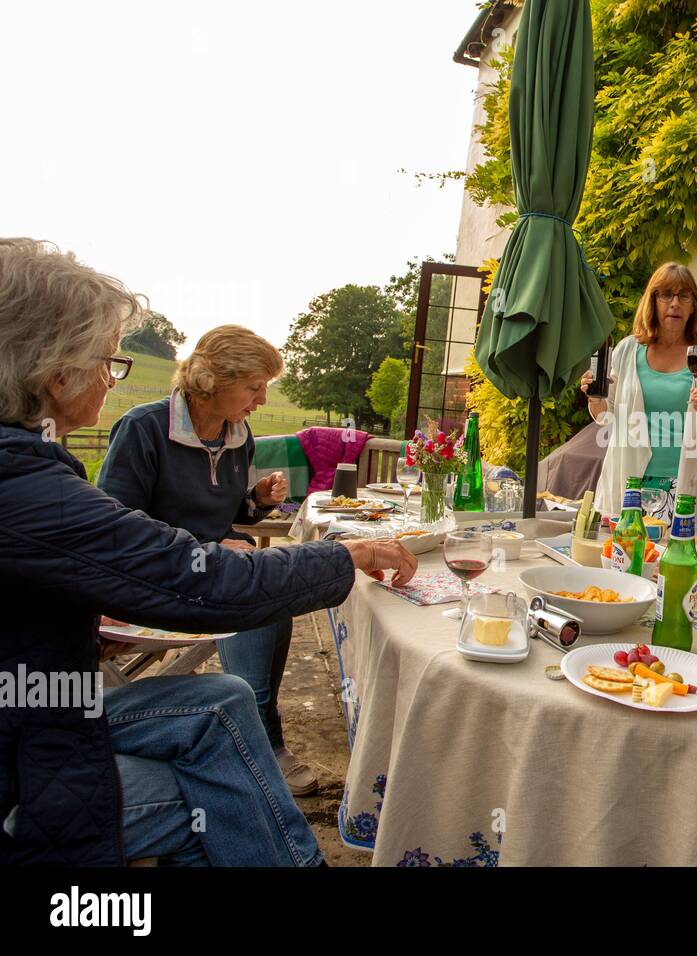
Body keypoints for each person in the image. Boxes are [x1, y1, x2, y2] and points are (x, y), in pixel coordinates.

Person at [0, 238, 416, 865]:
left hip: (50, 693)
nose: (112, 375)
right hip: (27, 749)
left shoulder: (28, 464)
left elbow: (68, 563)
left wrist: (252, 506)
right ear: (55, 371)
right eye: (107, 360)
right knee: (227, 792)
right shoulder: (28, 480)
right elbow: (173, 566)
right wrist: (347, 556)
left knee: (225, 700)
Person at [97, 325, 318, 795]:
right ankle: (261, 744)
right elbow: (115, 530)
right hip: (156, 578)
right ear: (212, 380)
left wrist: (255, 500)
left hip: (217, 568)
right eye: (254, 387)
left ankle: (259, 734)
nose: (260, 400)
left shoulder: (237, 433)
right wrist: (205, 550)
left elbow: (230, 512)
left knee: (271, 589)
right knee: (251, 594)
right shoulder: (144, 428)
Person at [581, 262, 697, 528]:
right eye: (665, 294)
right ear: (653, 301)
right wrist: (594, 398)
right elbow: (606, 417)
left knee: (675, 565)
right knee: (624, 563)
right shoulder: (627, 351)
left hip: (682, 487)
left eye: (684, 295)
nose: (675, 303)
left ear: (693, 305)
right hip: (629, 485)